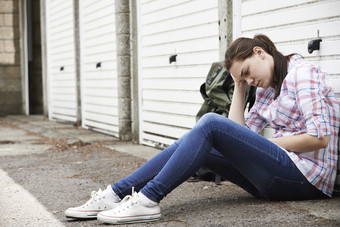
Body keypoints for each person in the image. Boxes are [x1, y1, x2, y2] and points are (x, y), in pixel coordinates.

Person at [65, 34, 340, 225]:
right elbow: (238, 132)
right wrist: (240, 87)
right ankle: (116, 193)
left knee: (209, 122)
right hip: (275, 179)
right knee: (196, 139)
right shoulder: (267, 89)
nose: (249, 79)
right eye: (242, 77)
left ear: (259, 52)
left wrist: (271, 146)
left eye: (246, 72)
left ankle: (148, 200)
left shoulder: (303, 74)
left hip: (306, 180)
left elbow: (319, 138)